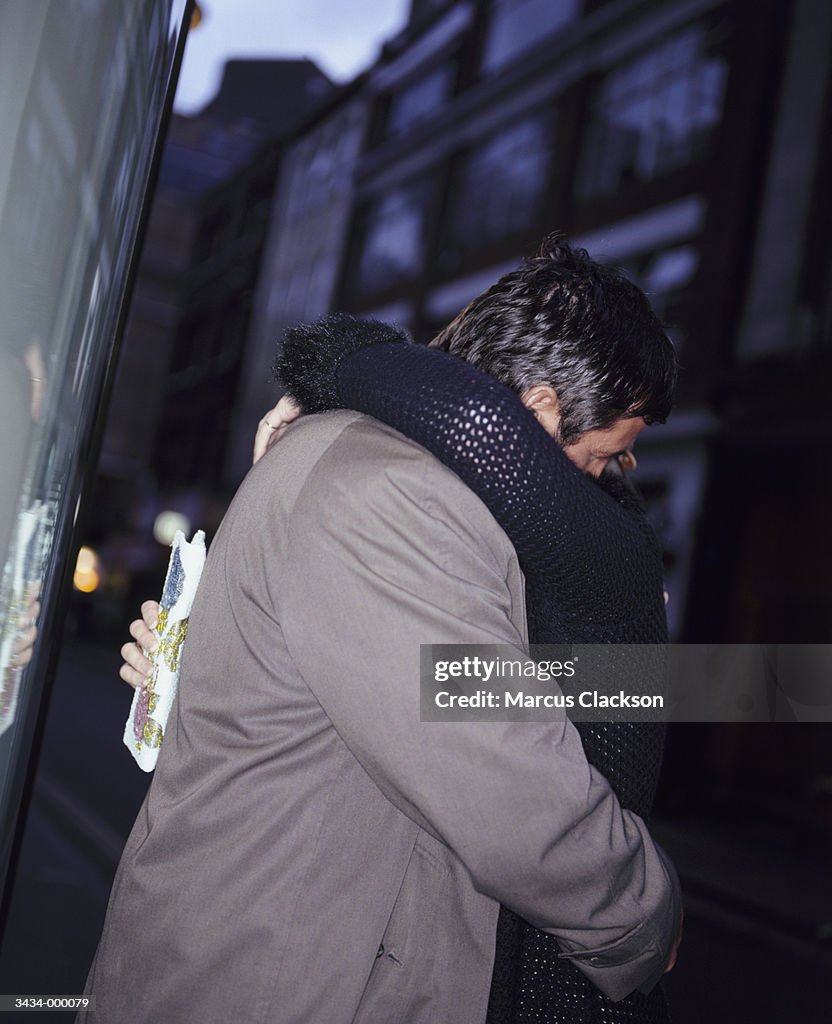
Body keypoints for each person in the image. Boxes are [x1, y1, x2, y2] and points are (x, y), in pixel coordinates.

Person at [106, 239, 682, 1024]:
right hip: (282, 982)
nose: (598, 485)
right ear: (544, 408)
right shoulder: (397, 496)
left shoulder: (397, 471)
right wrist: (642, 917)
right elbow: (508, 781)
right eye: (600, 457)